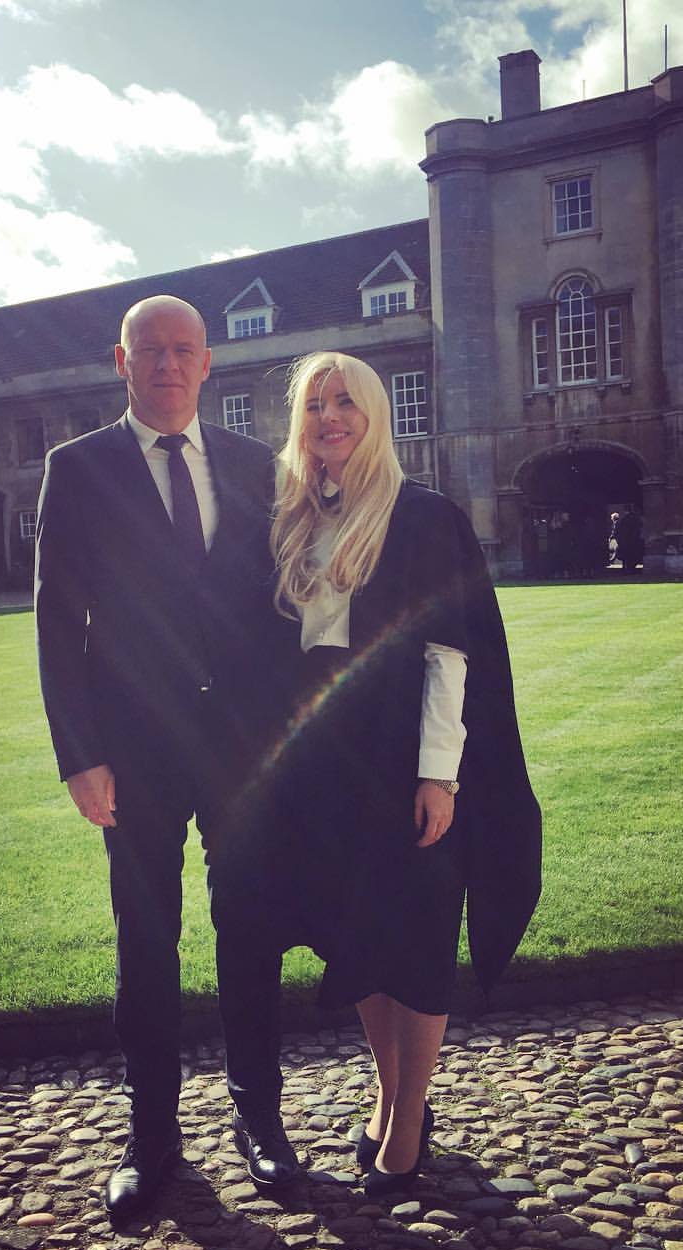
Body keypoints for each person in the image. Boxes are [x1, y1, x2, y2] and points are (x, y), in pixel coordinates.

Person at [34, 295, 299, 1222]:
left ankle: (259, 1119)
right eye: (151, 350)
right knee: (146, 941)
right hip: (133, 749)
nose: (168, 365)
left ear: (208, 362)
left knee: (249, 927)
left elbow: (281, 603)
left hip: (241, 745)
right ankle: (152, 1139)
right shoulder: (78, 468)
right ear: (122, 360)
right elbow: (58, 622)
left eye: (185, 349)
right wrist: (80, 755)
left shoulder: (254, 464)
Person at [254, 351, 541, 1194]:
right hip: (327, 762)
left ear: (375, 414)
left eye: (345, 401)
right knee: (359, 939)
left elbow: (451, 654)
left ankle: (409, 1121)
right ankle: (389, 1094)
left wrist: (439, 775)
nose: (329, 417)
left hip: (404, 756)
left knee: (416, 938)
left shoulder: (422, 516)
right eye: (315, 405)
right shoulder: (296, 518)